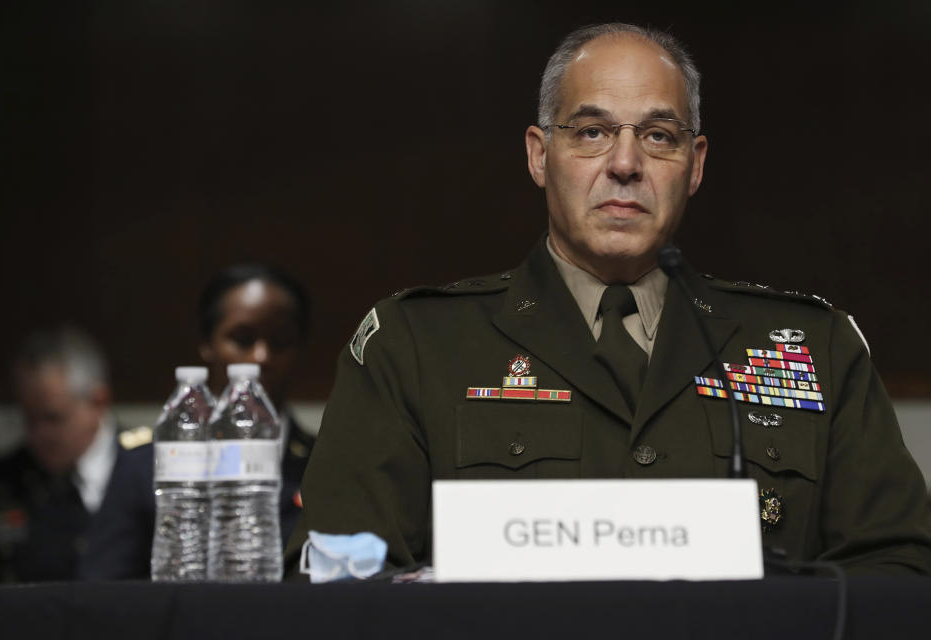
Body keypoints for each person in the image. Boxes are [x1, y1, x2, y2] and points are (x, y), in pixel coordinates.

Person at [286, 23, 931, 574]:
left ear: (696, 164)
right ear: (541, 156)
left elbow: (898, 571)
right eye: (591, 131)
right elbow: (336, 582)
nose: (625, 163)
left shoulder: (812, 347)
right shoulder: (415, 346)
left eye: (659, 136)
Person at [79, 263, 314, 579]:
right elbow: (101, 591)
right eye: (242, 339)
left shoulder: (325, 464)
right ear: (207, 343)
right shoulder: (144, 465)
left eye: (281, 341)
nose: (262, 356)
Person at [0, 327, 127, 583]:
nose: (38, 433)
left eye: (53, 418)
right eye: (29, 419)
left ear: (98, 402)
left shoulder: (148, 468)